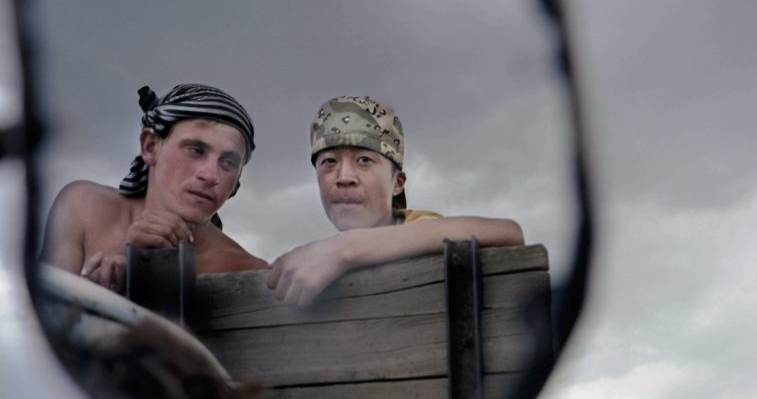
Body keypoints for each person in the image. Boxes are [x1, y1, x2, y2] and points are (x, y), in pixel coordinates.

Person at [267, 96, 523, 308]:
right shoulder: (318, 263)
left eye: (364, 160)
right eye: (329, 162)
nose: (343, 177)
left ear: (397, 182)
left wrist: (345, 248)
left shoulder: (421, 229)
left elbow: (509, 233)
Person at [42, 83, 266, 292]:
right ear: (150, 146)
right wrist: (121, 255)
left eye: (228, 163)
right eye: (196, 150)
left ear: (236, 182)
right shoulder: (84, 208)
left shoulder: (248, 270)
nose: (210, 175)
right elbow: (33, 317)